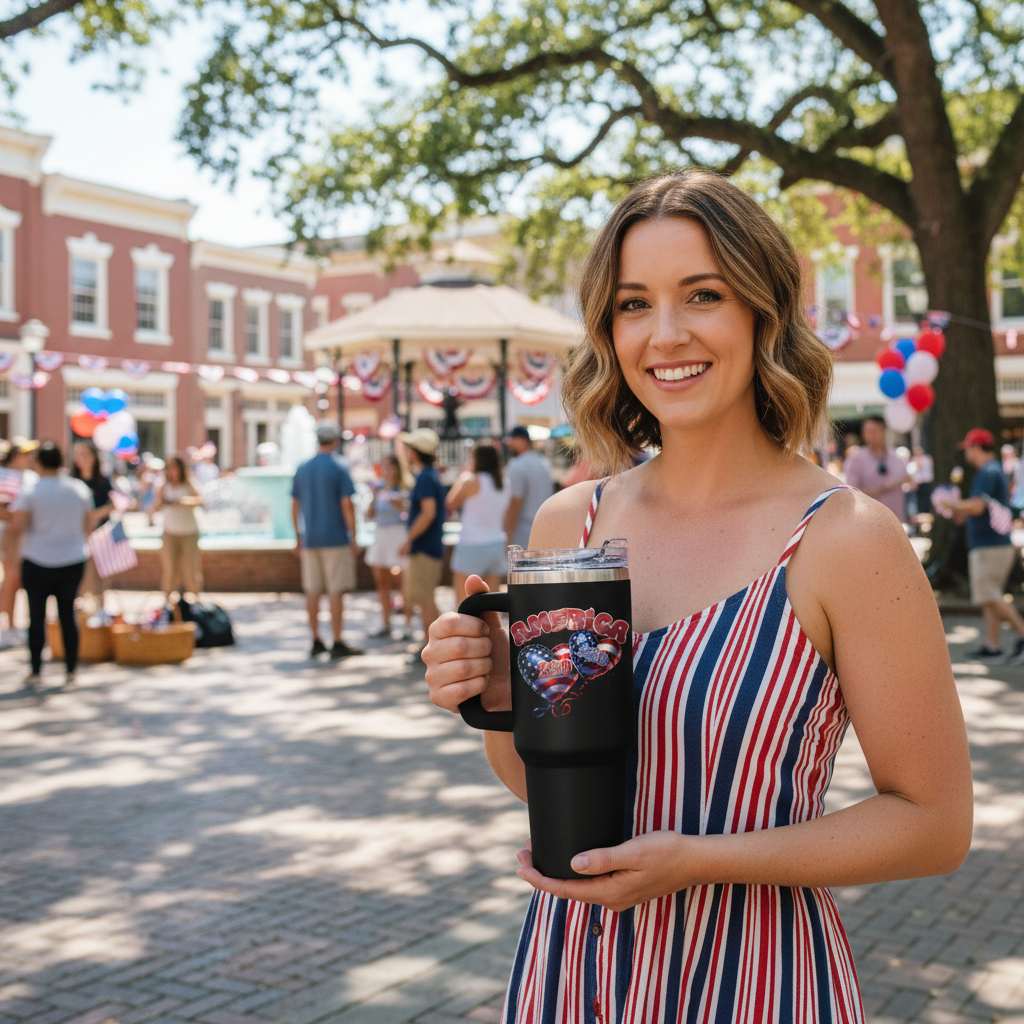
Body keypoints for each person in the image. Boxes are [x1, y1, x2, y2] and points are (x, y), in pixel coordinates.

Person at [422, 171, 972, 1021]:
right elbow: (542, 788)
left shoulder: (847, 538)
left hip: (757, 980)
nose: (665, 334)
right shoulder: (571, 523)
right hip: (572, 978)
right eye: (634, 304)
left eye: (703, 294)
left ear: (764, 311)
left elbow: (934, 824)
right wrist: (501, 697)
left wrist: (702, 859)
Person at [4, 441, 92, 688]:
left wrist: (13, 559)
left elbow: (17, 528)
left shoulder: (32, 491)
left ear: (39, 463)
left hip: (37, 561)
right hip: (73, 560)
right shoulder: (78, 489)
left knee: (36, 617)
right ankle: (71, 670)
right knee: (67, 615)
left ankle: (35, 670)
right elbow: (87, 526)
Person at [948, 428, 1024, 661]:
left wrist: (951, 504)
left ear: (976, 447)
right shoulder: (993, 470)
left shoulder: (988, 472)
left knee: (990, 595)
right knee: (988, 597)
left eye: (968, 448)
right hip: (992, 544)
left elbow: (978, 506)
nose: (967, 454)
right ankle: (993, 645)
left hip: (990, 545)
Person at [291, 421, 363, 659]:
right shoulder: (340, 466)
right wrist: (354, 536)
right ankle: (338, 640)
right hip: (335, 538)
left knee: (312, 591)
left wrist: (298, 536)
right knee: (335, 591)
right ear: (334, 441)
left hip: (311, 539)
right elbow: (347, 504)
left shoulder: (303, 467)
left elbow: (294, 504)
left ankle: (315, 639)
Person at [446, 443, 510, 605]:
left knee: (463, 603)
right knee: (490, 606)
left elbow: (450, 503)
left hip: (472, 545)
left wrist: (465, 473)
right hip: (496, 544)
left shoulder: (470, 480)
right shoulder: (505, 483)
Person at [397, 428, 445, 644]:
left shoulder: (425, 477)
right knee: (425, 599)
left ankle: (431, 645)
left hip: (424, 547)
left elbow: (428, 513)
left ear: (416, 452)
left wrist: (407, 540)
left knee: (425, 600)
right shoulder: (429, 476)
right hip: (428, 546)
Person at [364, 454, 411, 638]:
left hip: (398, 535)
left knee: (402, 582)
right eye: (384, 467)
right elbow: (369, 515)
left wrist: (401, 505)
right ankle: (385, 623)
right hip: (381, 536)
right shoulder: (379, 489)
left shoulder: (405, 488)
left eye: (389, 466)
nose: (386, 470)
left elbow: (411, 511)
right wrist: (375, 497)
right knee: (381, 582)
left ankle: (408, 624)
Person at [0, 438, 40, 649]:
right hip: (9, 535)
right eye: (25, 454)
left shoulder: (31, 477)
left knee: (16, 581)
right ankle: (9, 627)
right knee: (11, 578)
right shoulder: (3, 475)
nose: (30, 458)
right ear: (15, 456)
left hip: (25, 535)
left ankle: (13, 625)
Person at [153, 456, 204, 603]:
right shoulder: (164, 485)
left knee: (190, 567)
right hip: (170, 532)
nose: (173, 471)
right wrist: (161, 501)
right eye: (171, 468)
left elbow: (200, 499)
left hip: (189, 532)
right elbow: (155, 507)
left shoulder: (189, 482)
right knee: (170, 567)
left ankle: (196, 599)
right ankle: (167, 600)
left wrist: (183, 501)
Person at [842, 416, 913, 522]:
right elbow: (851, 493)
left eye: (875, 431)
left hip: (896, 518)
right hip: (868, 520)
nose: (872, 435)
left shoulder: (896, 457)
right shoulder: (856, 459)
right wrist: (881, 489)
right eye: (868, 431)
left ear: (883, 431)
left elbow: (909, 482)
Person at [72, 440, 115, 601]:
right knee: (79, 574)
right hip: (78, 535)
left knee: (101, 573)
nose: (82, 459)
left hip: (100, 535)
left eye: (86, 455)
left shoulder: (102, 481)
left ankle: (100, 608)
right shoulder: (72, 481)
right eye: (79, 455)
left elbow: (113, 505)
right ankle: (79, 609)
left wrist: (95, 515)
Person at [503, 425, 554, 550]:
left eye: (512, 440)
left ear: (522, 440)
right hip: (545, 530)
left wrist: (507, 538)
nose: (509, 444)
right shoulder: (543, 463)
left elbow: (515, 503)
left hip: (523, 535)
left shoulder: (517, 466)